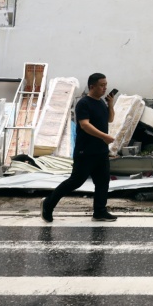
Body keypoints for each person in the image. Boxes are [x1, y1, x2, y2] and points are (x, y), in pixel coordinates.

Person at [41, 72, 117, 222]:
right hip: (85, 151)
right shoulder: (84, 103)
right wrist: (104, 136)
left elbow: (110, 119)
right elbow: (84, 125)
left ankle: (100, 211)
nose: (104, 88)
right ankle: (48, 203)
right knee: (76, 181)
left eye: (105, 85)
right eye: (102, 85)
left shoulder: (101, 102)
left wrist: (110, 104)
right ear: (92, 86)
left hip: (101, 151)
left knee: (103, 182)